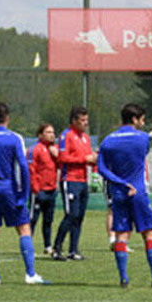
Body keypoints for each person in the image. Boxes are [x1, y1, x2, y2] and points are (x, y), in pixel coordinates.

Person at [0, 100, 47, 285]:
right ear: (7, 118)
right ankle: (30, 274)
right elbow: (23, 167)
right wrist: (23, 194)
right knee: (23, 229)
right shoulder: (14, 138)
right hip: (9, 190)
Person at [98, 103, 152, 289]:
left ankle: (124, 279)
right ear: (134, 119)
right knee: (149, 233)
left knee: (121, 235)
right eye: (142, 119)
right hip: (138, 192)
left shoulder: (107, 141)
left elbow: (102, 169)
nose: (143, 123)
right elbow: (140, 157)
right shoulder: (143, 138)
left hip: (118, 193)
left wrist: (120, 182)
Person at [52, 106, 96, 261]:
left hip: (83, 180)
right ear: (74, 121)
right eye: (83, 120)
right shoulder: (66, 135)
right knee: (71, 215)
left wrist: (95, 161)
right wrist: (84, 159)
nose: (86, 123)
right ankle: (56, 248)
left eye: (87, 120)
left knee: (79, 216)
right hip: (70, 180)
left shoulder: (86, 138)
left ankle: (73, 250)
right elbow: (62, 157)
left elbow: (89, 158)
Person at [28, 123, 59, 255]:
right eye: (48, 132)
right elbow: (31, 170)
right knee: (32, 219)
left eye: (53, 132)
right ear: (40, 135)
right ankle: (27, 246)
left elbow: (61, 166)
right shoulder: (35, 149)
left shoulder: (54, 149)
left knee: (48, 220)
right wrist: (35, 189)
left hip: (51, 190)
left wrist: (57, 156)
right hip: (39, 191)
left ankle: (48, 246)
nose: (52, 135)